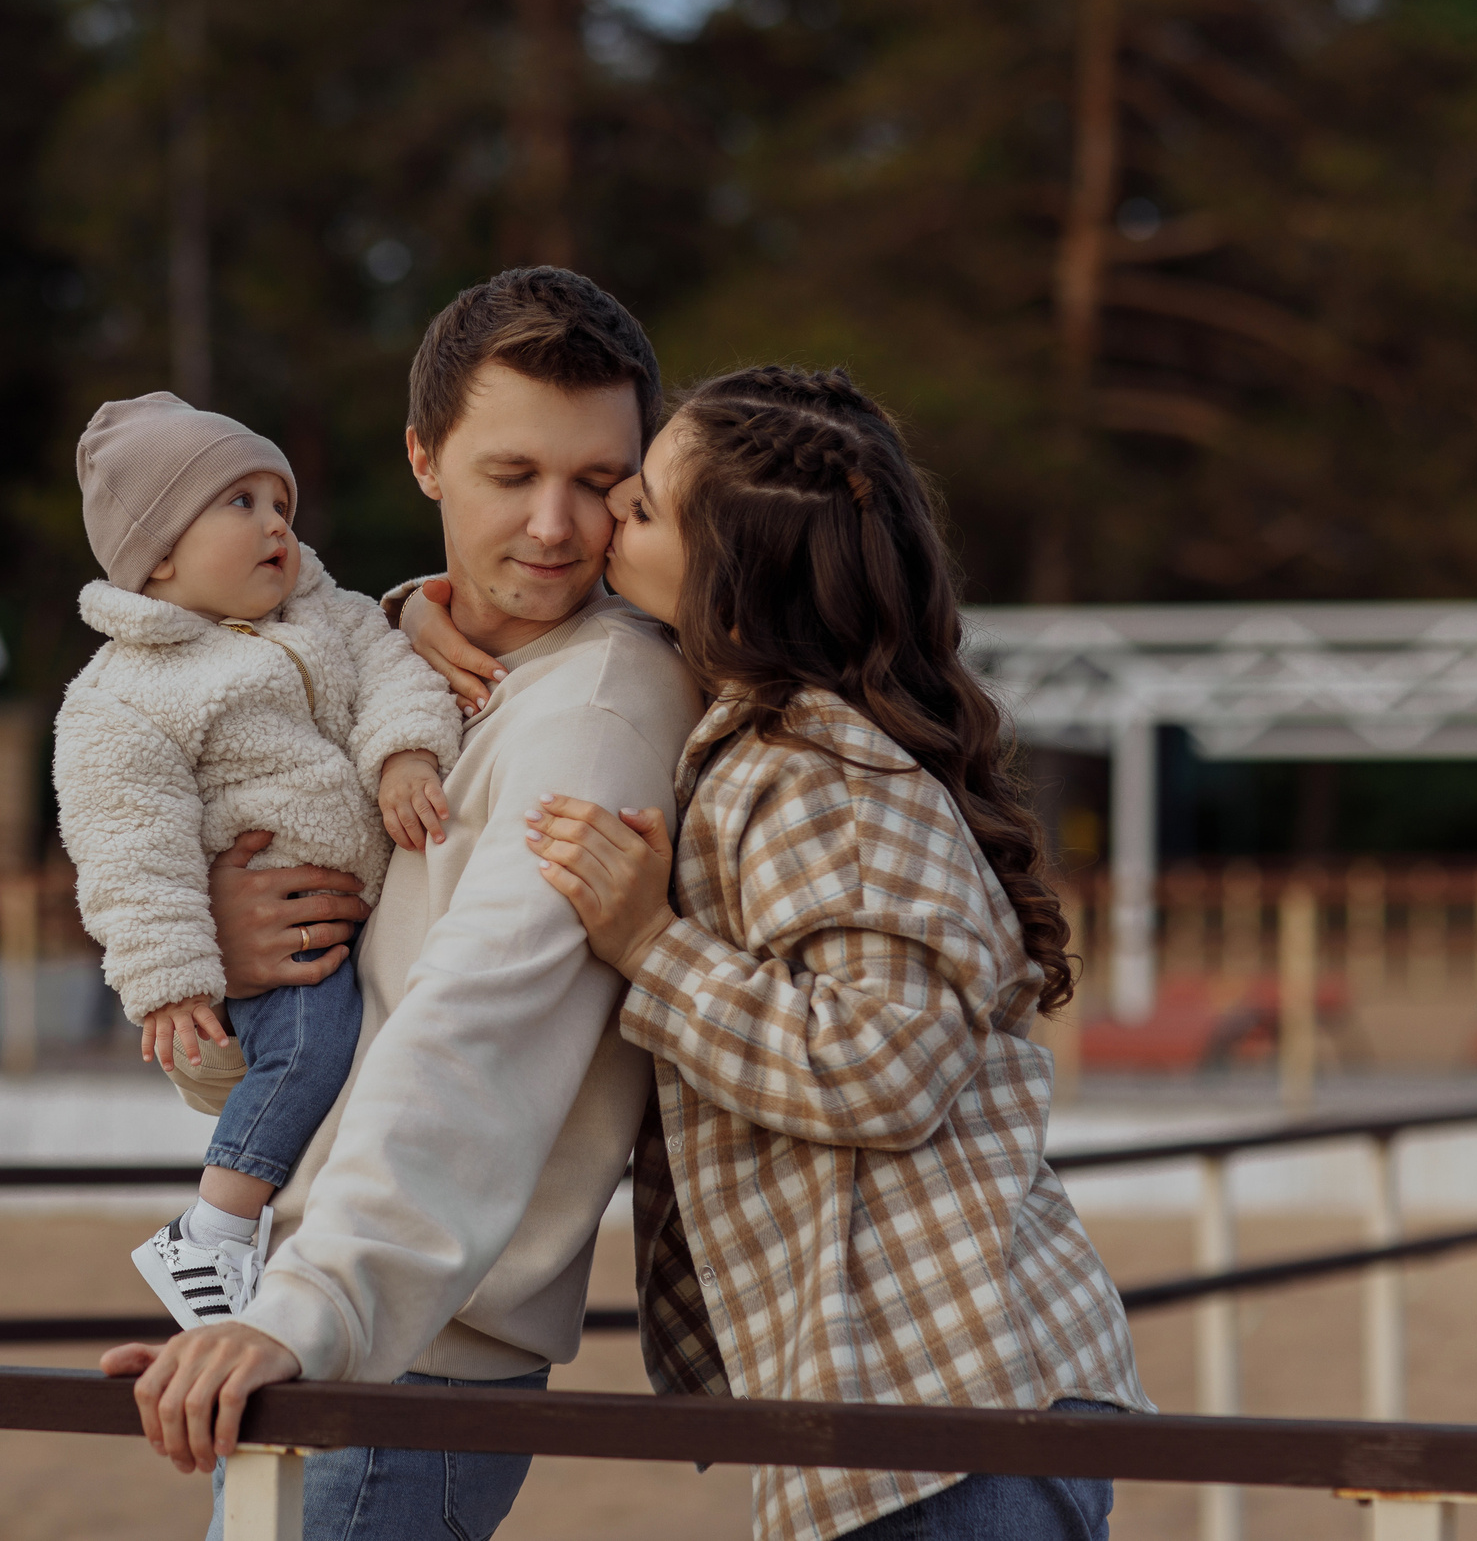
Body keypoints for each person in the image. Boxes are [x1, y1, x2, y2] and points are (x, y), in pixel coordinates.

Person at [489, 364, 1147, 1540]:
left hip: (948, 1405)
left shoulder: (813, 770)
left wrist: (651, 945)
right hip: (935, 1402)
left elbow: (884, 1066)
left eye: (637, 509)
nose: (599, 524)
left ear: (732, 585)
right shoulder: (771, 737)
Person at [100, 267, 700, 1541]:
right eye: (510, 474)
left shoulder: (598, 707)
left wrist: (308, 1313)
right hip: (325, 1310)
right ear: (424, 459)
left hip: (399, 1338)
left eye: (600, 483)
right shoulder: (375, 670)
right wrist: (238, 967)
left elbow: (477, 1029)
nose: (553, 526)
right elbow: (309, 1043)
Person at [56, 391, 464, 1329]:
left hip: (353, 916)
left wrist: (403, 751)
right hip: (281, 946)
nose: (275, 525)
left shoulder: (332, 614)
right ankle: (211, 1230)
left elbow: (397, 670)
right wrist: (170, 978)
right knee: (310, 1049)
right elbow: (128, 842)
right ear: (158, 554)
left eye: (279, 503)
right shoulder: (125, 696)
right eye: (238, 504)